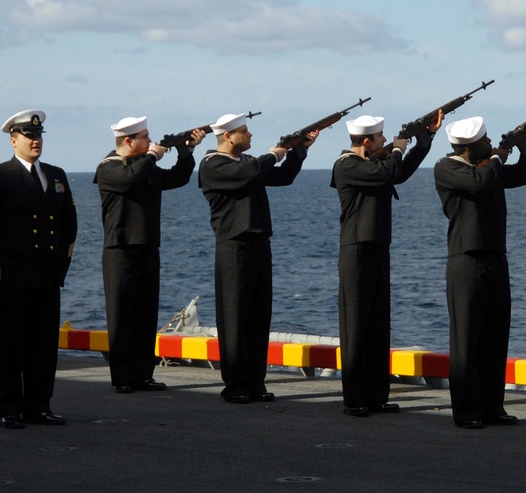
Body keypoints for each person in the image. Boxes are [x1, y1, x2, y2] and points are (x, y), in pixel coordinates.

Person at [0, 109, 77, 429]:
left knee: (44, 347)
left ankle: (39, 406)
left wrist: (61, 265)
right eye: (29, 137)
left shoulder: (56, 175)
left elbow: (69, 223)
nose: (35, 141)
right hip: (12, 275)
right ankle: (10, 408)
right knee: (10, 346)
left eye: (38, 136)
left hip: (47, 275)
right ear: (13, 141)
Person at [433, 114, 526, 429]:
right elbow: (478, 184)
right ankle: (467, 410)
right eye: (485, 141)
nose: (490, 143)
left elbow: (524, 173)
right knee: (467, 338)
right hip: (466, 258)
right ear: (470, 147)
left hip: (495, 256)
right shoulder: (448, 168)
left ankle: (493, 406)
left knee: (495, 335)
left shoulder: (488, 167)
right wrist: (497, 156)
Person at [198, 113, 318, 404]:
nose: (250, 135)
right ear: (228, 136)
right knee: (235, 317)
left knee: (257, 316)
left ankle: (255, 382)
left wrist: (298, 151)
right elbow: (250, 172)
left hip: (258, 243)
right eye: (244, 131)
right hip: (234, 245)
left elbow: (283, 177)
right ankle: (236, 384)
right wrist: (274, 153)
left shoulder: (245, 164)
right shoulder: (213, 164)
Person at [330, 112, 443, 417]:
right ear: (367, 141)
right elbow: (387, 171)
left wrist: (424, 139)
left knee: (378, 325)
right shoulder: (346, 165)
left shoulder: (373, 164)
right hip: (356, 250)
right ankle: (355, 398)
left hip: (378, 247)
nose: (386, 141)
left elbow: (399, 172)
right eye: (381, 138)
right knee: (355, 326)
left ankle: (377, 395)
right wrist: (399, 147)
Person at [94, 116, 205, 394]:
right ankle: (122, 377)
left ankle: (143, 374)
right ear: (128, 141)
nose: (150, 141)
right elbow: (128, 179)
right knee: (121, 317)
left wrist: (186, 150)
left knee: (145, 315)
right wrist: (154, 154)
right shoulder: (108, 167)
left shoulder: (144, 167)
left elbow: (177, 179)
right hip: (120, 250)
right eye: (144, 137)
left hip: (147, 247)